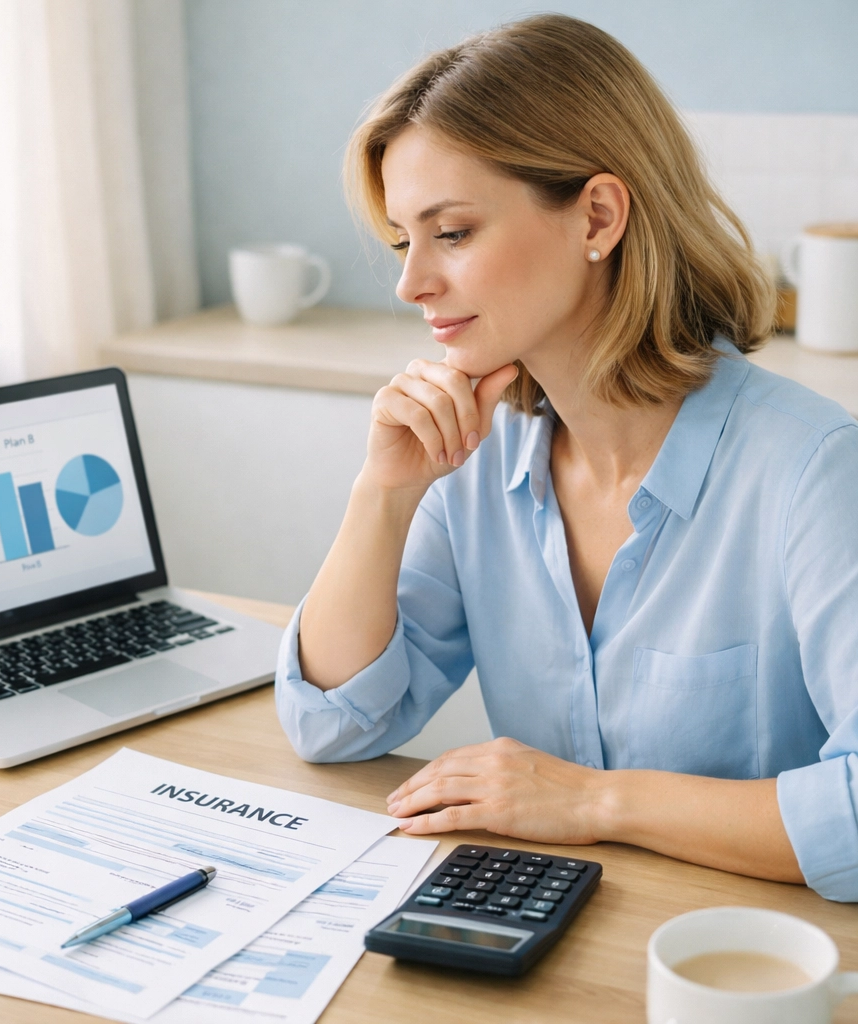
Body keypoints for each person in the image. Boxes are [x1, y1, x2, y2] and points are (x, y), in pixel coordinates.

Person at [274, 14, 858, 901]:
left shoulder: (813, 470)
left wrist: (593, 801)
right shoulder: (471, 459)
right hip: (554, 945)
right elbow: (332, 722)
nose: (410, 282)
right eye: (403, 240)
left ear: (597, 215)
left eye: (454, 233)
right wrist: (382, 494)